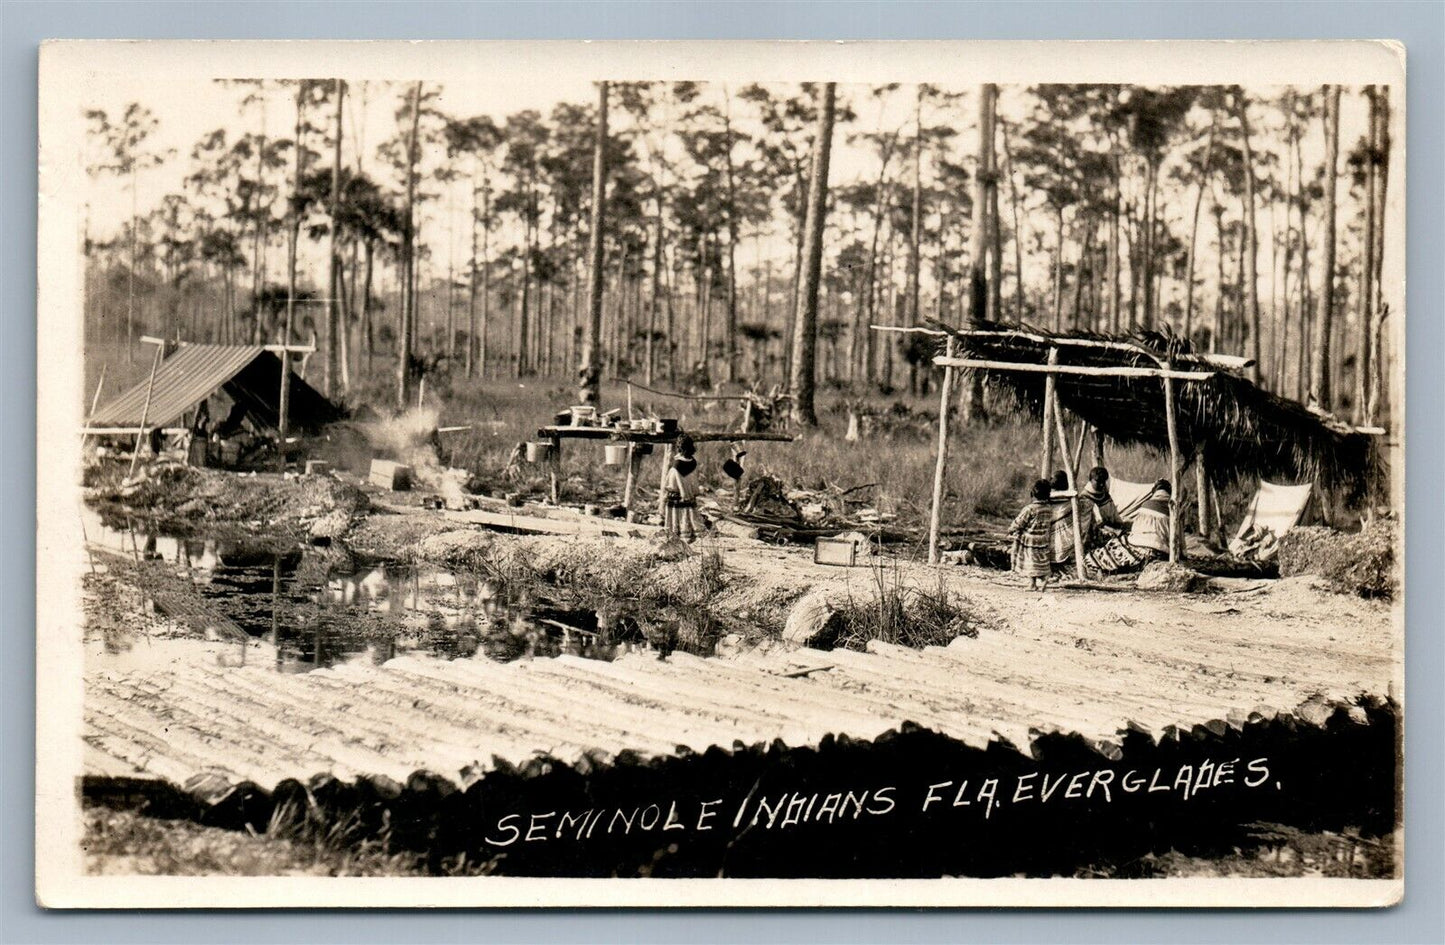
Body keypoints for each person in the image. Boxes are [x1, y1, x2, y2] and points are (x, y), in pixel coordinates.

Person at [1084, 479, 1173, 576]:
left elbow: (1136, 529)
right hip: (1161, 550)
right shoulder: (1173, 509)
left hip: (1140, 544)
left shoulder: (1146, 504)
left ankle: (1107, 565)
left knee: (1115, 546)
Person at [1008, 479, 1055, 590]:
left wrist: (1011, 529)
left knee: (1030, 562)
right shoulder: (1049, 509)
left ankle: (1032, 584)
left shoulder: (1029, 509)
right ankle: (1044, 577)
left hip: (1030, 539)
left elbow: (1019, 522)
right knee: (1040, 560)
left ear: (1033, 494)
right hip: (1043, 538)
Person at [660, 434, 703, 543]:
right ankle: (689, 536)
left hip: (677, 497)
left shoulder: (677, 464)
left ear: (679, 448)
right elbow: (694, 481)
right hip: (690, 496)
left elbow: (671, 483)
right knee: (688, 518)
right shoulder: (693, 463)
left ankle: (675, 537)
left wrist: (664, 498)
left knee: (676, 520)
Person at [1079, 466, 1126, 548]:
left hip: (1109, 525)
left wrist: (1118, 523)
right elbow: (1095, 523)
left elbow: (1111, 508)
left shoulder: (1103, 489)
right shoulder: (1085, 498)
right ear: (1091, 480)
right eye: (1098, 482)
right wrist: (1114, 531)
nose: (1101, 484)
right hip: (1094, 532)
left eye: (1103, 481)